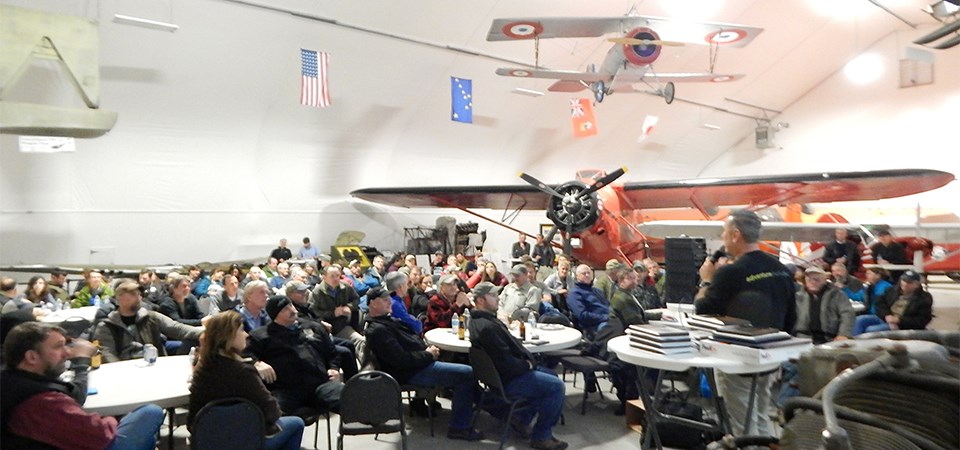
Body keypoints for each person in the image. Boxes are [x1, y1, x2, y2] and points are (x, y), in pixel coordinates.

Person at [695, 209, 796, 438]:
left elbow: (702, 310)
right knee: (760, 415)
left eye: (724, 232)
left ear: (735, 235)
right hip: (770, 358)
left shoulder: (730, 273)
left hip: (738, 360)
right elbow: (791, 318)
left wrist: (706, 279)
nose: (722, 238)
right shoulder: (780, 270)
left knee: (743, 426)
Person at [1, 322, 165, 449]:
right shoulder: (43, 402)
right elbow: (100, 436)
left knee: (147, 438)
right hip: (97, 442)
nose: (67, 352)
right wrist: (112, 419)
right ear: (31, 357)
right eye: (58, 347)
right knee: (151, 412)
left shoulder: (12, 382)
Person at [364, 287, 484, 441]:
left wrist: (427, 352)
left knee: (457, 364)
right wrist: (428, 354)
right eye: (385, 300)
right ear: (373, 304)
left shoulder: (386, 321)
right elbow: (402, 361)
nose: (390, 302)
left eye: (389, 299)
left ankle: (489, 405)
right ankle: (459, 426)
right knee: (466, 373)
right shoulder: (378, 330)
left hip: (417, 364)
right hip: (409, 373)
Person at [468, 282, 568, 450]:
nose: (498, 298)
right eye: (493, 296)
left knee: (551, 376)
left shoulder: (478, 321)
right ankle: (541, 436)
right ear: (480, 300)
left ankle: (521, 417)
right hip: (509, 379)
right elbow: (507, 364)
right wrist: (528, 365)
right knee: (556, 387)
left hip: (498, 378)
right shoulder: (488, 327)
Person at [188, 311, 304, 450]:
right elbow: (272, 411)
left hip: (205, 441)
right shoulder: (243, 371)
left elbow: (192, 420)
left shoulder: (202, 368)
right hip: (243, 441)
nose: (246, 334)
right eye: (242, 330)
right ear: (229, 336)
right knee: (296, 423)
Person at [247, 295, 344, 414]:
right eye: (284, 309)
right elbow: (243, 353)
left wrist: (334, 368)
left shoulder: (313, 327)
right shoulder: (261, 336)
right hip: (287, 390)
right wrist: (256, 363)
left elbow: (332, 352)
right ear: (275, 316)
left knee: (353, 399)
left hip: (320, 384)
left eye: (290, 306)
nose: (292, 310)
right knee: (270, 414)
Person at [93, 281, 204, 362]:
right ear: (119, 298)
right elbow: (108, 355)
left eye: (139, 294)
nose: (138, 298)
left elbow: (177, 329)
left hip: (155, 366)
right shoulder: (106, 327)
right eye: (133, 294)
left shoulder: (152, 317)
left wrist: (207, 333)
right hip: (125, 371)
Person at [310, 266, 366, 364]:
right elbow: (313, 312)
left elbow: (356, 299)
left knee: (361, 341)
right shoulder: (317, 292)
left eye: (337, 276)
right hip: (325, 328)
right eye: (332, 276)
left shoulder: (345, 287)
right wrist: (333, 313)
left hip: (341, 326)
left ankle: (365, 368)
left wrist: (349, 307)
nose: (336, 279)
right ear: (324, 277)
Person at [853, 270, 933, 335]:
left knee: (871, 330)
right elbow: (879, 304)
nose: (905, 284)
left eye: (909, 282)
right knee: (860, 320)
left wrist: (899, 320)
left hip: (902, 325)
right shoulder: (892, 290)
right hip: (885, 318)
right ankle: (854, 344)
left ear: (917, 284)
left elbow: (922, 320)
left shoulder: (924, 298)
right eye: (904, 280)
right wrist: (887, 315)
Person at [793, 267, 855, 343]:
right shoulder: (798, 296)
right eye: (809, 279)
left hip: (830, 338)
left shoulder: (837, 294)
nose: (812, 282)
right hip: (802, 338)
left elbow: (847, 314)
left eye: (816, 279)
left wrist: (843, 334)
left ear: (824, 280)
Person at [566, 264, 609, 338]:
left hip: (609, 319)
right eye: (584, 273)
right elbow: (582, 315)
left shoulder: (597, 291)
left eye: (589, 273)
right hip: (593, 326)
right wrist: (604, 317)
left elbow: (608, 306)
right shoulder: (575, 293)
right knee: (611, 328)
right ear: (577, 276)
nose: (587, 275)